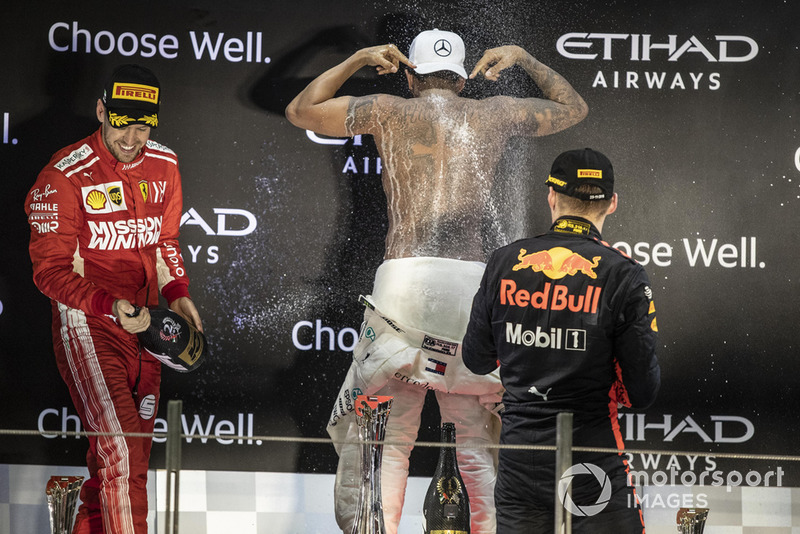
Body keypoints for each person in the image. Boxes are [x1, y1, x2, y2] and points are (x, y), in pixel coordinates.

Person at [285, 29, 588, 534]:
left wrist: (357, 58)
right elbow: (572, 107)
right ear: (465, 80)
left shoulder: (387, 109)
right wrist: (523, 58)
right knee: (475, 444)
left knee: (387, 441)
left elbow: (301, 109)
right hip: (471, 290)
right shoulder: (495, 112)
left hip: (403, 288)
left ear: (409, 76)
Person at [25, 64, 202, 534]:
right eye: (123, 124)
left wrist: (177, 293)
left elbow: (165, 241)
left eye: (143, 127)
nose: (132, 138)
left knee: (132, 458)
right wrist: (106, 305)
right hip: (90, 323)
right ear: (101, 110)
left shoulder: (165, 163)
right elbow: (49, 272)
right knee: (120, 449)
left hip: (147, 327)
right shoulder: (62, 175)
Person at [462, 147, 661, 533]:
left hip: (519, 461)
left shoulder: (505, 261)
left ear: (551, 196)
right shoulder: (624, 274)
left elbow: (477, 359)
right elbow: (642, 391)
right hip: (592, 463)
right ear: (612, 203)